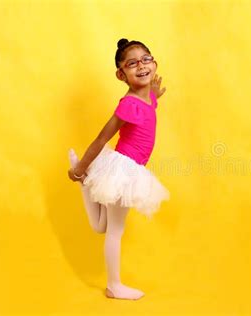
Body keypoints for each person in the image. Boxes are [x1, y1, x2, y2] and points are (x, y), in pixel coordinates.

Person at [67, 38, 170, 300]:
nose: (142, 66)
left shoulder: (146, 99)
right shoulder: (129, 104)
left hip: (129, 169)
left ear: (154, 62)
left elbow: (149, 109)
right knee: (115, 231)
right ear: (121, 74)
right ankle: (114, 285)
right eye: (132, 63)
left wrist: (155, 97)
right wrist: (81, 166)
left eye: (146, 59)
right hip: (124, 171)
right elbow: (102, 138)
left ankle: (85, 183)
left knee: (102, 226)